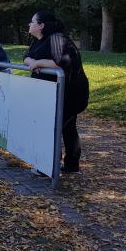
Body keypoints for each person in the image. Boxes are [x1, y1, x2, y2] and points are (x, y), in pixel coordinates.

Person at [24, 12, 89, 173]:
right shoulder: (38, 40)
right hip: (51, 92)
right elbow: (26, 57)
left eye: (32, 22)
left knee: (59, 127)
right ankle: (68, 164)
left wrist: (38, 63)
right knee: (63, 127)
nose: (29, 25)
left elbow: (62, 61)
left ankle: (51, 166)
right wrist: (32, 62)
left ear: (41, 25)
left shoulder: (57, 38)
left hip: (69, 92)